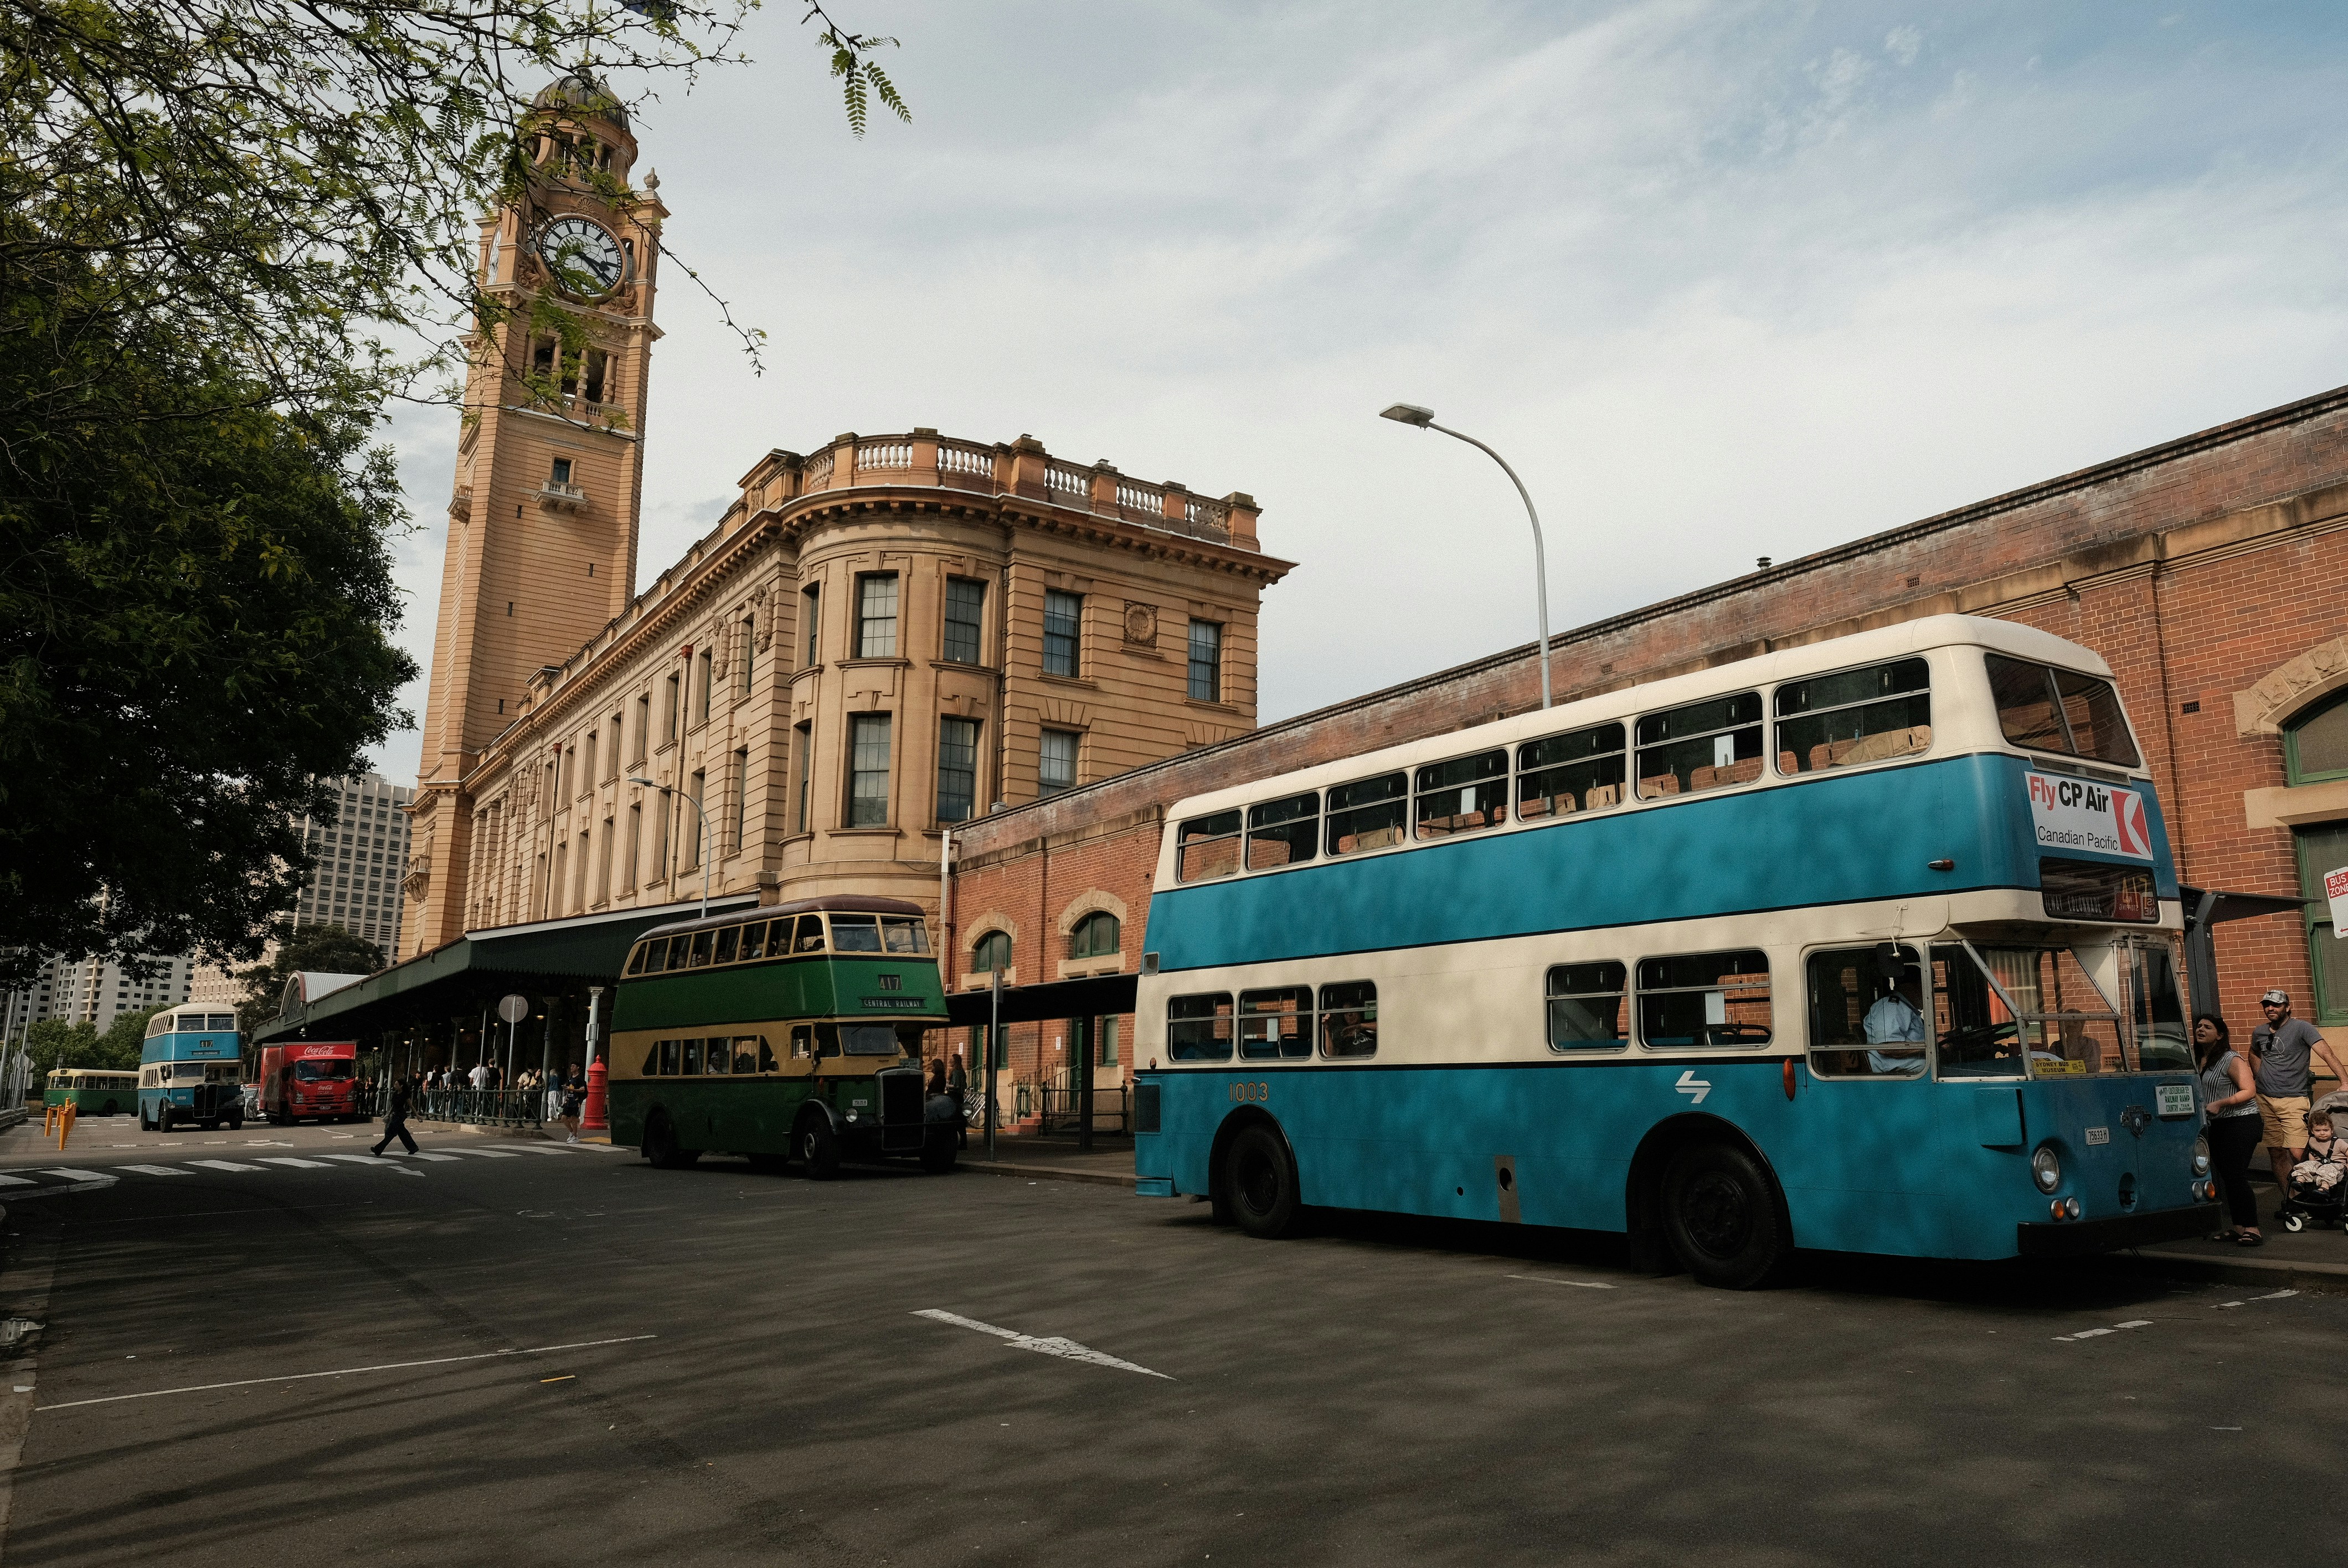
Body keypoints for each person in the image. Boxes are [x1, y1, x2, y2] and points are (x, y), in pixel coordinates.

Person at [2251, 989, 2344, 1205]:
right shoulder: (2260, 1032)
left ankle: (2318, 1197)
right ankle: (2293, 1200)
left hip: (2293, 1099)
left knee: (2300, 1152)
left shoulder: (2302, 1028)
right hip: (2265, 1100)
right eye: (2267, 1005)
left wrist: (2344, 1081)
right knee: (2275, 1152)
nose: (2270, 1009)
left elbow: (2326, 1053)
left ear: (2288, 1007)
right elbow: (2254, 1052)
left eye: (2275, 1005)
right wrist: (2258, 1077)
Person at [2196, 1013, 2262, 1245]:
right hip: (2217, 1125)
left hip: (2241, 1122)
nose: (2201, 1029)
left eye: (2208, 1027)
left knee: (2236, 1175)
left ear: (2220, 1034)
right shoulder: (2199, 1059)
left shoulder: (2230, 1058)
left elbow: (2249, 1090)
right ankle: (2238, 1227)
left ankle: (2253, 1228)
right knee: (2227, 1177)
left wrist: (2220, 1103)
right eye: (2199, 1026)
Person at [1862, 969, 1928, 1076]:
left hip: (1914, 1073)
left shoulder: (1906, 1008)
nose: (1928, 992)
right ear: (1910, 987)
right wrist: (1929, 1047)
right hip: (1897, 1076)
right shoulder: (1891, 1007)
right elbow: (1887, 1049)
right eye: (1924, 986)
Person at [372, 1072, 419, 1156]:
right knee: (402, 1132)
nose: (395, 1085)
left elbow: (411, 1105)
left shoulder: (405, 1095)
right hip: (395, 1115)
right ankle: (413, 1147)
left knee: (391, 1132)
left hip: (401, 1115)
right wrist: (389, 1114)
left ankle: (378, 1149)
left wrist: (417, 1116)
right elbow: (393, 1106)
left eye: (396, 1084)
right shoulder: (395, 1094)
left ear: (401, 1086)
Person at [559, 1061, 586, 1143]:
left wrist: (572, 1089)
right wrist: (565, 1100)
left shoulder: (580, 1079)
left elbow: (583, 1090)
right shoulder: (570, 1078)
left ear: (578, 1068)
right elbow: (569, 1090)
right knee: (563, 1117)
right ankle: (572, 1132)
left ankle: (575, 1137)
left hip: (576, 1100)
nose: (571, 1068)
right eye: (571, 1066)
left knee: (574, 1118)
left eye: (573, 1066)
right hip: (569, 1100)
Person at [947, 1048, 969, 1149]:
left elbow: (955, 1085)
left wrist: (947, 1085)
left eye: (951, 1060)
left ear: (955, 1062)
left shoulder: (955, 1072)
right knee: (961, 1119)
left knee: (954, 1119)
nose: (950, 1062)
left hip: (954, 1097)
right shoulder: (962, 1072)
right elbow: (964, 1085)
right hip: (960, 1097)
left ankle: (958, 1142)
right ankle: (964, 1142)